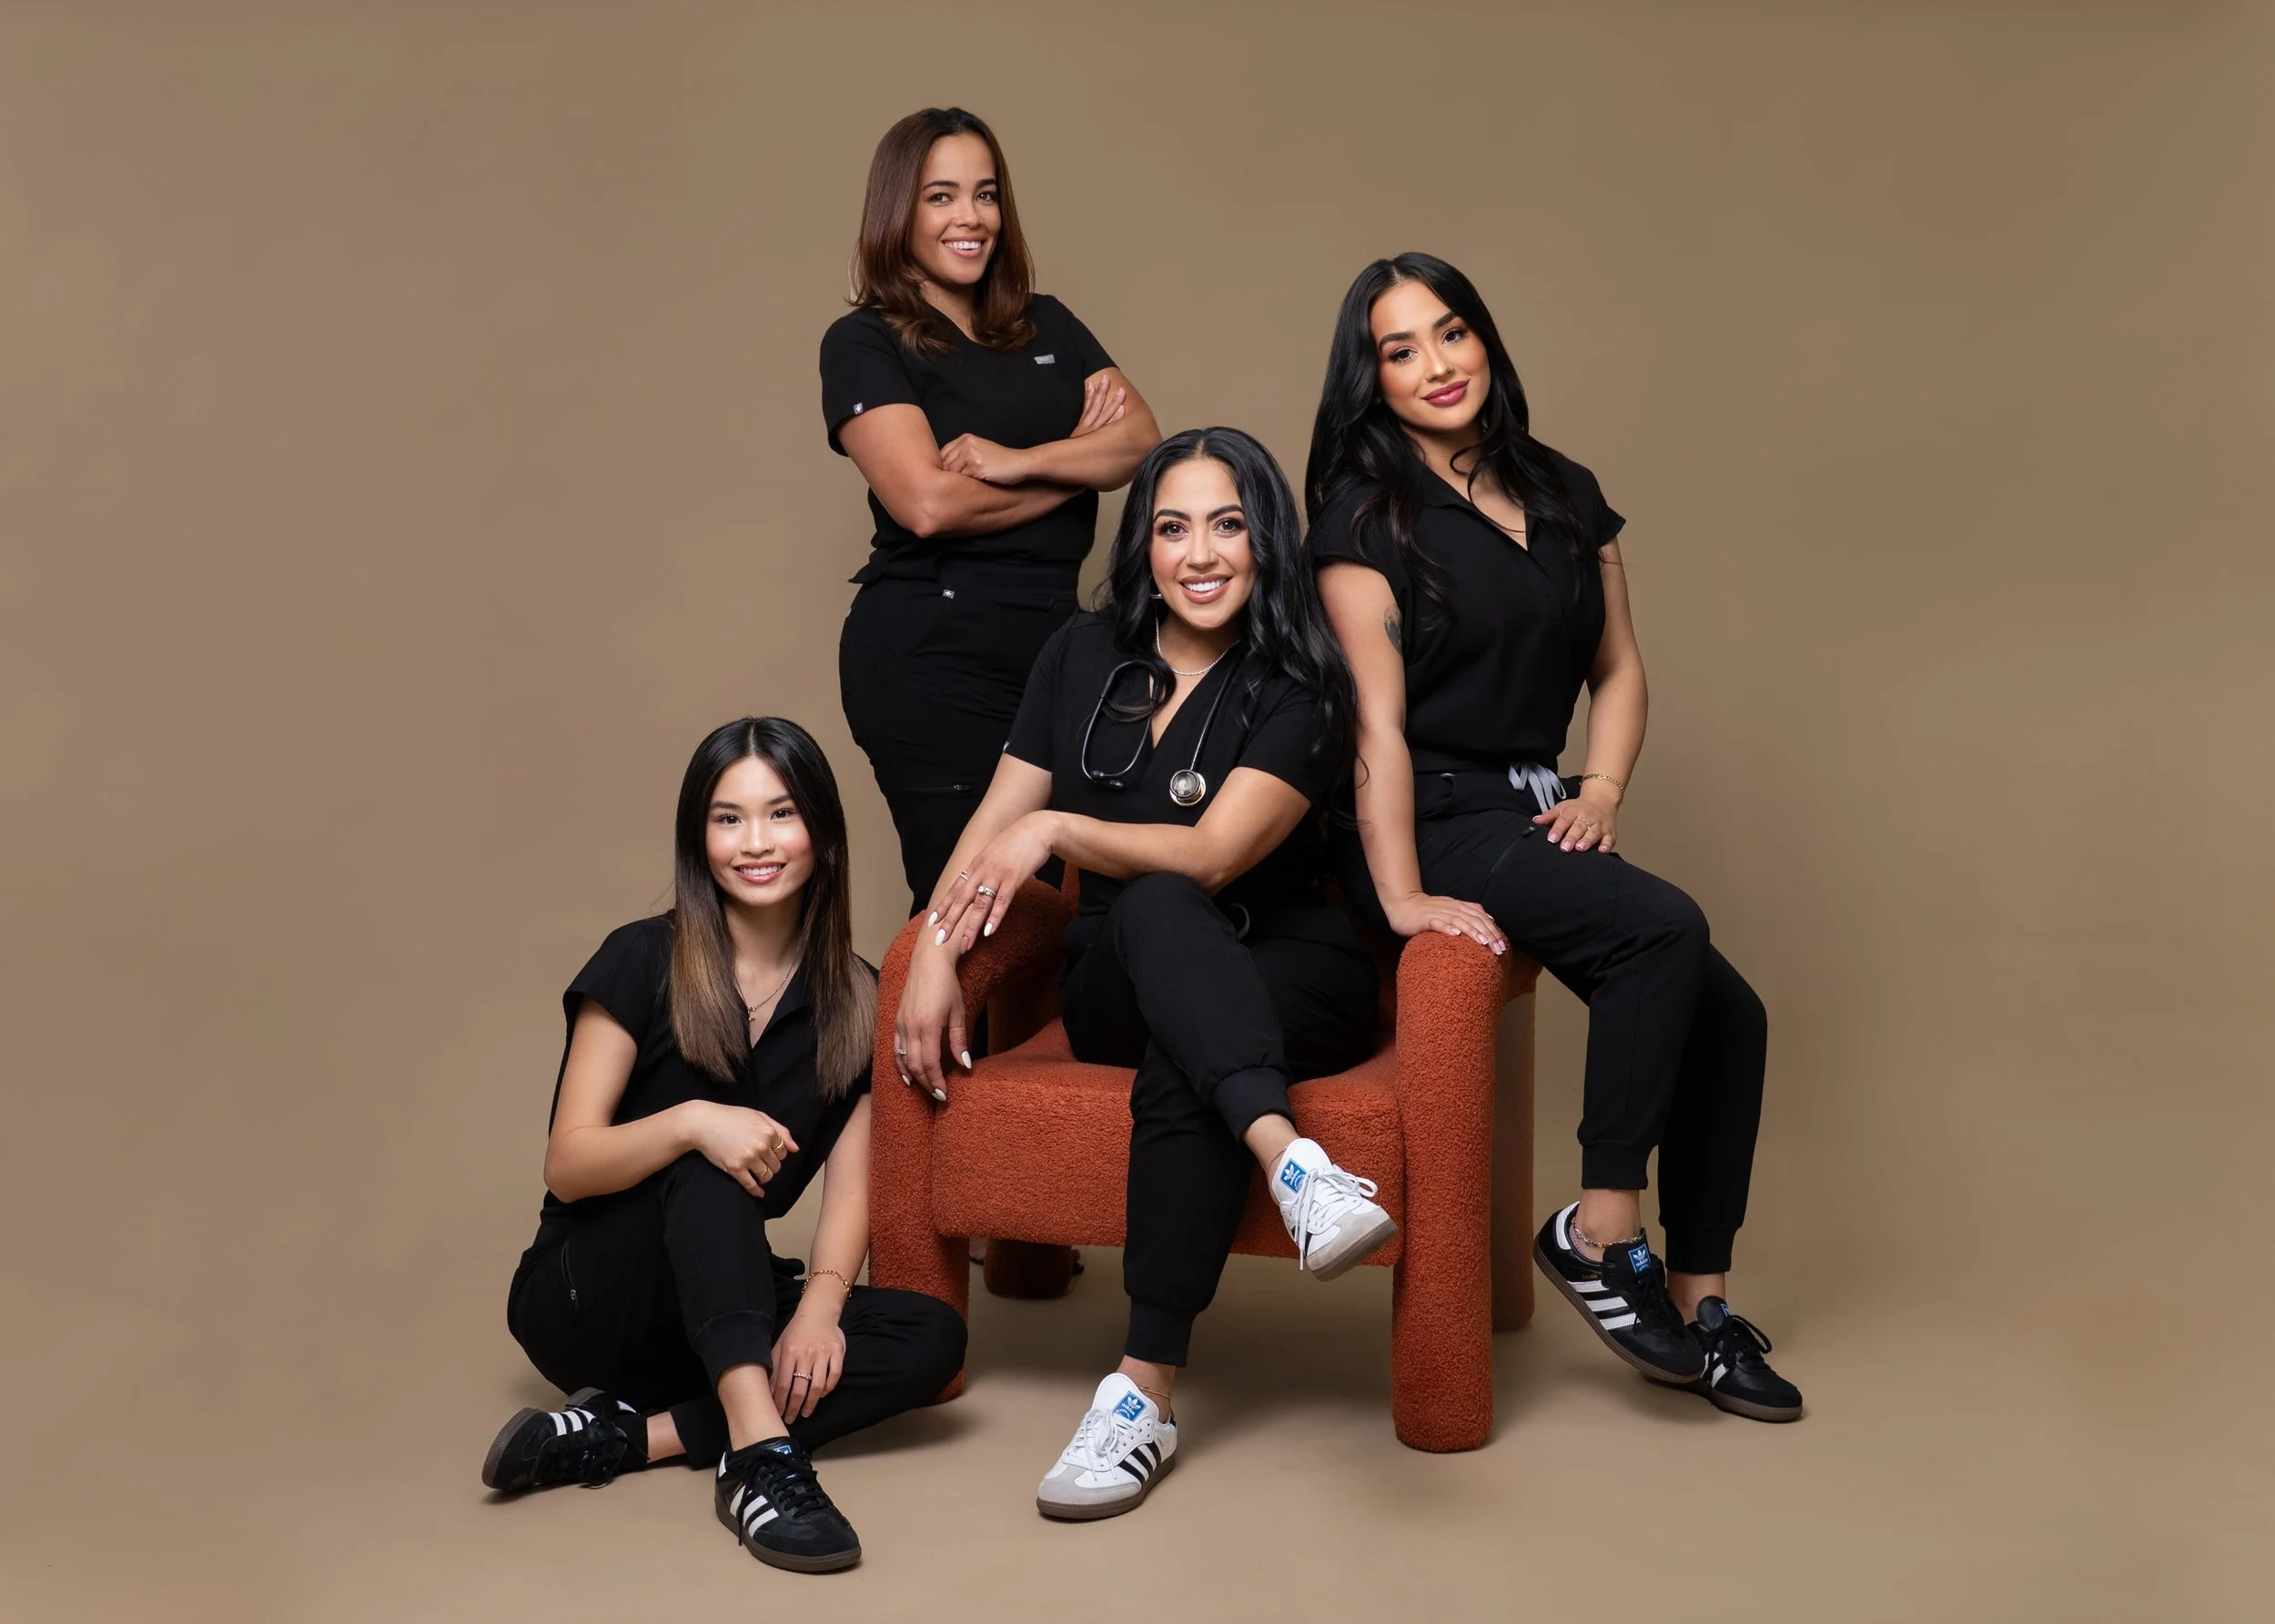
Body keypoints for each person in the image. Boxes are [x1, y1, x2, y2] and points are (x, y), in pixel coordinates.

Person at [1307, 254, 1803, 1423]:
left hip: (1532, 804)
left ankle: (1699, 1309)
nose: (1436, 365)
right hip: (1424, 811)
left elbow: (1620, 668)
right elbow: (1372, 731)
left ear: (1485, 339)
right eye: (1400, 349)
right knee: (1662, 928)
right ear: (1369, 379)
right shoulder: (1360, 521)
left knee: (1730, 1014)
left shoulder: (1566, 492)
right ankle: (1597, 1229)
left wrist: (1602, 787)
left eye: (1452, 332)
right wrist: (1398, 898)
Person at [895, 428, 1397, 1521]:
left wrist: (1060, 832)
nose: (1200, 553)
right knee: (1161, 920)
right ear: (1145, 546)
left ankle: (1140, 1393)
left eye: (1228, 524)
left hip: (1290, 970)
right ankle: (1293, 1163)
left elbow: (1216, 853)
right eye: (1172, 527)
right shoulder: (1080, 656)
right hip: (1119, 970)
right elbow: (995, 823)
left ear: (1266, 539)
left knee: (1186, 984)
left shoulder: (1303, 682)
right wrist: (933, 950)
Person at [481, 718, 966, 1573]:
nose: (756, 843)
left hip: (715, 1313)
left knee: (931, 1336)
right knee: (705, 1173)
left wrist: (821, 1306)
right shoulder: (642, 958)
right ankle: (759, 1462)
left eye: (780, 814)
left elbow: (852, 1189)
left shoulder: (855, 998)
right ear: (697, 838)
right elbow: (569, 1161)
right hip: (591, 1296)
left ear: (821, 829)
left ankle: (631, 1438)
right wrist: (689, 1121)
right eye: (727, 818)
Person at [824, 106, 1161, 913]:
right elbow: (929, 505)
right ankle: (907, 1043)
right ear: (897, 211)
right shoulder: (865, 342)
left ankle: (1011, 1050)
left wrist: (1019, 462)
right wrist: (1081, 467)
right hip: (931, 655)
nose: (969, 218)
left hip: (1054, 656)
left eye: (985, 194)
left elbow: (1145, 443)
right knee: (969, 905)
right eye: (940, 196)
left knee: (1054, 903)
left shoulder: (1048, 323)